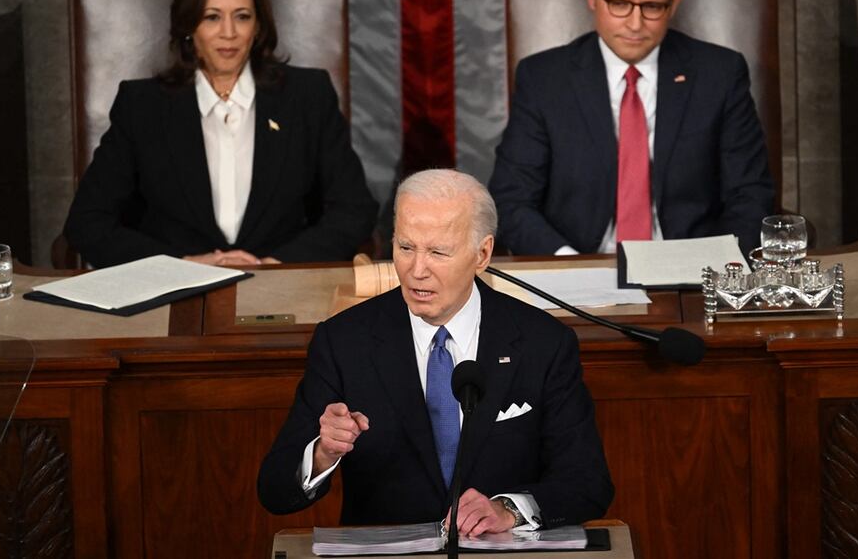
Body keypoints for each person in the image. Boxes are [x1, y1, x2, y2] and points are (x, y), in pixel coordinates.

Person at [257, 169, 613, 533]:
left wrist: (510, 509)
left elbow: (588, 483)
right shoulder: (344, 342)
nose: (416, 270)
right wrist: (322, 454)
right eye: (405, 247)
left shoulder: (543, 342)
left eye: (438, 252)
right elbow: (274, 491)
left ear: (483, 253)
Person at [64, 0, 377, 268]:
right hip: (174, 292)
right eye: (212, 17)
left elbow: (354, 210)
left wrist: (276, 265)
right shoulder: (142, 106)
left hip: (281, 290)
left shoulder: (308, 96)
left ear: (257, 26)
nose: (228, 32)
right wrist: (181, 264)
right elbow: (87, 222)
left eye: (242, 16)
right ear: (189, 26)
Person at [489, 0, 774, 255]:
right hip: (580, 264)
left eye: (653, 7)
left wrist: (713, 264)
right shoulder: (544, 78)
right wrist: (570, 264)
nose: (635, 24)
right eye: (620, 4)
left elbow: (750, 194)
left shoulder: (719, 74)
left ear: (675, 1)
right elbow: (511, 201)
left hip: (691, 271)